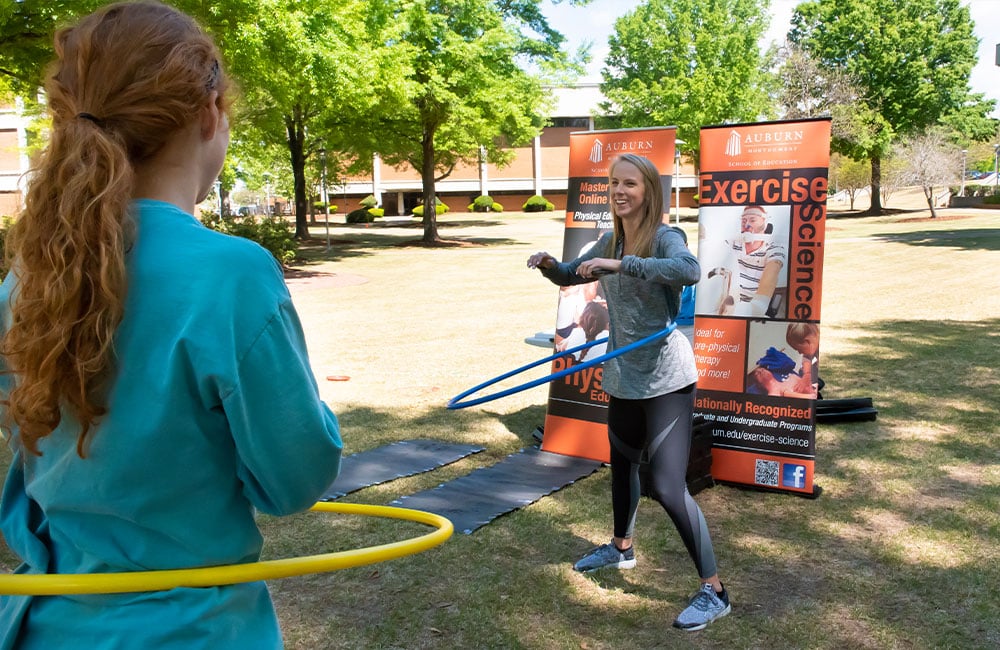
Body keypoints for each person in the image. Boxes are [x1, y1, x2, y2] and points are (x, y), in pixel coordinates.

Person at [0, 3, 343, 648]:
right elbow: (294, 480)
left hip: (43, 625)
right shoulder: (231, 274)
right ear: (210, 112)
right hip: (189, 630)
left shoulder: (26, 281)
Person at [527, 153, 731, 631]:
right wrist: (549, 265)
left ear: (648, 190)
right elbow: (573, 273)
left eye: (630, 184)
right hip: (623, 375)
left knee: (666, 486)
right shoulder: (609, 237)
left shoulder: (665, 235)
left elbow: (687, 271)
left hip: (665, 379)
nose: (619, 191)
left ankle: (715, 591)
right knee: (620, 466)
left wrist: (621, 263)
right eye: (614, 183)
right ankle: (621, 548)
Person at [731, 205, 786, 317]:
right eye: (744, 220)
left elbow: (772, 272)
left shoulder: (774, 248)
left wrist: (757, 307)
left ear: (764, 223)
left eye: (752, 220)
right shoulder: (733, 243)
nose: (747, 225)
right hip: (728, 301)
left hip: (751, 307)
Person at [786, 323, 821, 397]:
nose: (799, 352)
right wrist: (807, 374)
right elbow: (806, 359)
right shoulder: (811, 346)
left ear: (807, 341)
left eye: (799, 349)